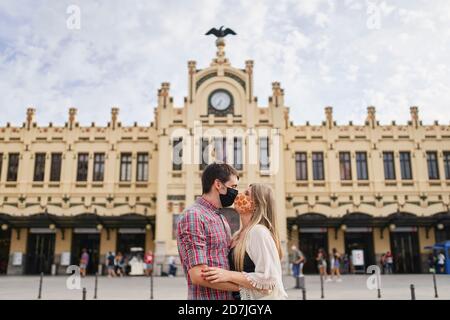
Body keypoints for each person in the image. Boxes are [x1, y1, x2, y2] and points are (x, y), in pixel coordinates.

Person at [202, 184, 288, 300]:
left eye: (247, 194)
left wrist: (228, 275)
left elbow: (269, 279)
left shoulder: (258, 232)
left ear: (257, 204)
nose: (240, 195)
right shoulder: (238, 234)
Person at [177, 163, 240, 300]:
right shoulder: (194, 216)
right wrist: (245, 286)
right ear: (218, 184)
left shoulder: (220, 217)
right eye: (233, 187)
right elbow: (198, 275)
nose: (236, 192)